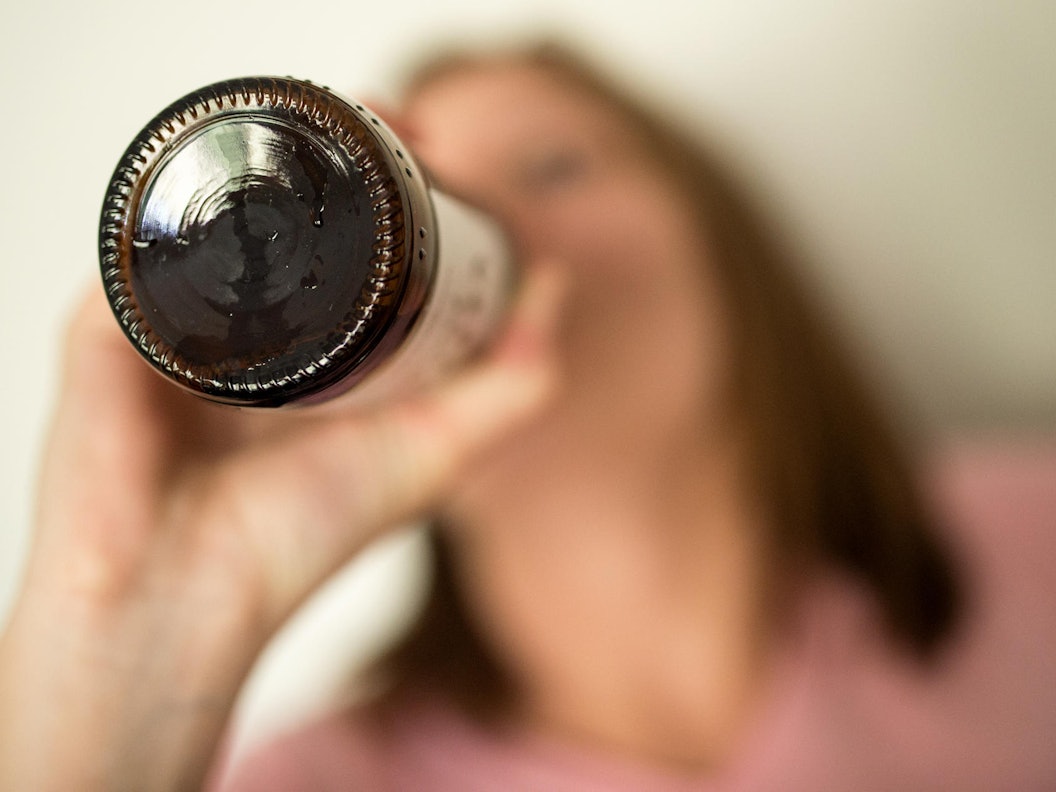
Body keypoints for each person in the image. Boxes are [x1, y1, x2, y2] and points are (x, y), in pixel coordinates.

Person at [2, 42, 1054, 792]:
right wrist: (126, 635)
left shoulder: (1031, 540)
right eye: (436, 192)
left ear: (725, 249)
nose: (507, 234)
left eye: (555, 164)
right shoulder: (311, 778)